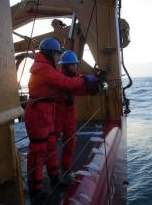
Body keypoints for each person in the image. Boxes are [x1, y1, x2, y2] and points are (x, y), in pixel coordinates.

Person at [24, 38, 98, 203]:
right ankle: (35, 190)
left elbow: (71, 85)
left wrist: (90, 86)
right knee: (38, 151)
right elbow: (66, 83)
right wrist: (86, 80)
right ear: (50, 53)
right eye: (57, 53)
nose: (59, 57)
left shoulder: (47, 68)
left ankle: (55, 178)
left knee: (50, 146)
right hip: (39, 114)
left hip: (47, 112)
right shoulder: (44, 69)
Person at [55, 50, 87, 185]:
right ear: (65, 66)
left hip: (69, 112)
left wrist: (92, 87)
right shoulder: (59, 78)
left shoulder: (75, 77)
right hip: (57, 113)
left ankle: (66, 169)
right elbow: (69, 85)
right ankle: (52, 171)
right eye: (72, 65)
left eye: (75, 64)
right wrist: (83, 80)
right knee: (52, 142)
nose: (75, 67)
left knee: (70, 141)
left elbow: (80, 90)